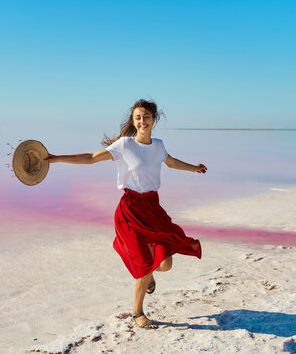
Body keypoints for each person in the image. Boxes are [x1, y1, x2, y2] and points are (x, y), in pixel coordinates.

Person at [45, 99, 207, 329]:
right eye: (138, 117)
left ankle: (149, 277)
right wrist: (58, 158)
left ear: (154, 119)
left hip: (153, 209)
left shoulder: (159, 146)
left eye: (146, 116)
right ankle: (138, 313)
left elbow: (171, 163)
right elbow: (91, 158)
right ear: (133, 121)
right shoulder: (124, 145)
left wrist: (195, 167)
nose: (142, 121)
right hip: (130, 211)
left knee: (166, 263)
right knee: (143, 263)